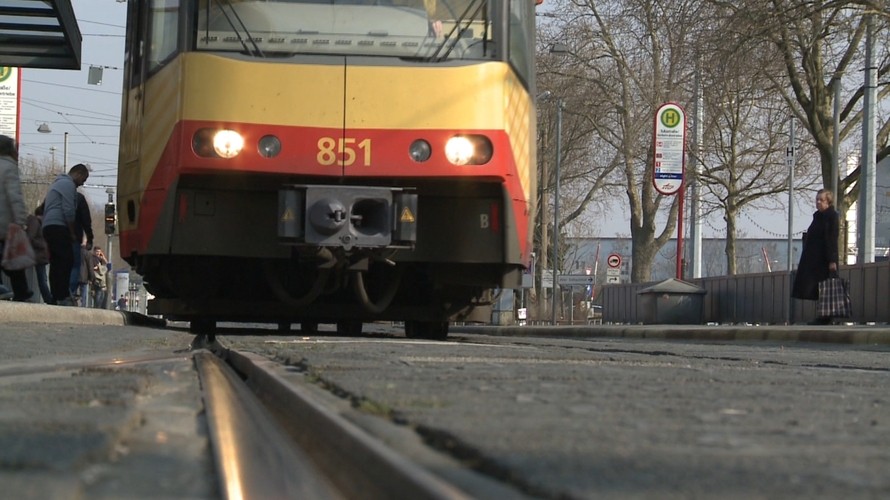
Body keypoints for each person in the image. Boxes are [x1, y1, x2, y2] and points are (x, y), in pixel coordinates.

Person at [42, 163, 89, 306]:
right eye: (83, 179)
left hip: (48, 226)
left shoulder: (56, 184)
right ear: (79, 174)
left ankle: (55, 296)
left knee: (56, 262)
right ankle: (62, 295)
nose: (82, 183)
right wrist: (72, 231)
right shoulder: (68, 185)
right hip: (59, 226)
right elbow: (68, 211)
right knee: (66, 260)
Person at [791, 188, 840, 324]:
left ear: (828, 202)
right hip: (814, 259)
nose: (818, 202)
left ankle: (827, 316)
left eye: (821, 200)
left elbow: (831, 238)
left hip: (824, 260)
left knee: (826, 287)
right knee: (817, 288)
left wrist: (832, 260)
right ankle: (822, 315)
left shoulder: (831, 216)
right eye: (817, 199)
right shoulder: (817, 216)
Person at [0, 135, 34, 302]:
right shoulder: (9, 167)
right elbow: (15, 197)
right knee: (12, 259)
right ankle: (21, 291)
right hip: (4, 223)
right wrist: (21, 220)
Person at [26, 202, 53, 304]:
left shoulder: (39, 223)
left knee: (42, 279)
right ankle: (48, 298)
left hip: (39, 255)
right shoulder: (35, 222)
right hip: (36, 255)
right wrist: (42, 245)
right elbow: (30, 237)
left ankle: (47, 298)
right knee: (42, 279)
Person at [70, 191, 94, 304]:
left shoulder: (56, 193)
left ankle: (65, 296)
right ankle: (82, 304)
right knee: (83, 293)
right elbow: (89, 265)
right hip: (83, 277)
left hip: (61, 235)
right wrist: (92, 278)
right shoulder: (87, 253)